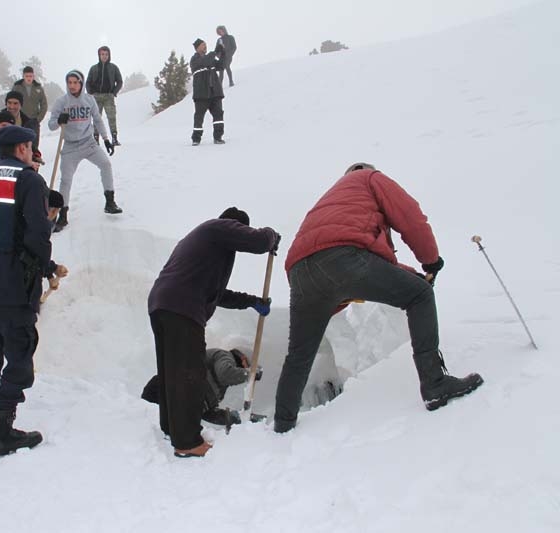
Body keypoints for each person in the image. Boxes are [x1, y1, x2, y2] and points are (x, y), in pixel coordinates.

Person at [273, 163, 484, 434]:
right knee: (420, 296)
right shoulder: (369, 178)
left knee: (299, 354)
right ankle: (435, 384)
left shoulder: (333, 201)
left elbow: (378, 263)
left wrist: (412, 275)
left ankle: (283, 422)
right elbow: (410, 217)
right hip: (342, 256)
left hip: (301, 270)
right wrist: (430, 262)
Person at [147, 207, 279, 457]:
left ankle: (171, 428)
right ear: (236, 227)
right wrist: (271, 237)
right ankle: (187, 442)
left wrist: (251, 301)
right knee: (189, 372)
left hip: (163, 304)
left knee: (172, 372)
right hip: (183, 308)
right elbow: (260, 241)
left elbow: (218, 295)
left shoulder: (208, 249)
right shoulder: (217, 228)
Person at [0, 125, 59, 456]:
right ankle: (2, 431)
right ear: (21, 148)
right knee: (19, 354)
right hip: (13, 282)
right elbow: (37, 232)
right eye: (30, 147)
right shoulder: (30, 180)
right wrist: (43, 266)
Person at [48, 69, 123, 231]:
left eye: (76, 82)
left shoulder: (89, 100)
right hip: (70, 146)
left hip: (88, 143)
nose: (72, 86)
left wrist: (106, 139)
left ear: (81, 83)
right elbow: (51, 124)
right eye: (70, 83)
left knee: (106, 165)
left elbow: (97, 120)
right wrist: (59, 120)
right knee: (66, 180)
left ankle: (110, 202)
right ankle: (63, 215)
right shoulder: (61, 102)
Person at [142, 347, 260, 426]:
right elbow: (225, 374)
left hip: (177, 401)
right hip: (163, 388)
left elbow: (206, 413)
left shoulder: (219, 389)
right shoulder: (224, 355)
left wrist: (237, 417)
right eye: (246, 365)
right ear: (243, 358)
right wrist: (250, 374)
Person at [190, 38, 225, 146]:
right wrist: (215, 51)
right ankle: (196, 139)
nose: (205, 46)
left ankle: (218, 137)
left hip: (215, 93)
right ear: (197, 48)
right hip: (201, 94)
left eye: (206, 44)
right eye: (203, 45)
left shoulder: (210, 59)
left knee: (218, 116)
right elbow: (204, 62)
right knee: (199, 117)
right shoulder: (194, 60)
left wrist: (222, 53)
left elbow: (221, 65)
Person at [86, 46, 123, 146]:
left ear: (109, 55)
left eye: (106, 54)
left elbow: (119, 81)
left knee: (111, 117)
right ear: (99, 55)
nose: (104, 56)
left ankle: (114, 138)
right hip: (96, 97)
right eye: (102, 54)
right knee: (97, 118)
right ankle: (96, 139)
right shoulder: (93, 68)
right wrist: (91, 93)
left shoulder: (113, 68)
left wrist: (114, 92)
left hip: (108, 97)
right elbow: (88, 82)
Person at [11, 66, 48, 151]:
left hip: (34, 121)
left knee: (34, 146)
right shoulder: (17, 87)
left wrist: (38, 119)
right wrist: (14, 117)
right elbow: (11, 102)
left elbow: (44, 104)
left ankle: (34, 161)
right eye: (27, 76)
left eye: (30, 76)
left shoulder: (38, 88)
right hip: (19, 121)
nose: (29, 78)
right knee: (19, 145)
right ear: (23, 76)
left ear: (33, 76)